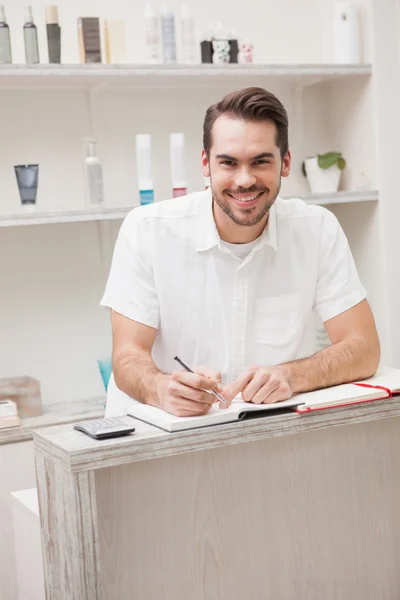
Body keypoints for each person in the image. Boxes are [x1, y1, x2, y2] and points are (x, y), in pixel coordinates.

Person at [100, 86, 380, 418]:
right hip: (158, 434)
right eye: (228, 163)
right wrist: (160, 388)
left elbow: (364, 348)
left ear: (285, 163)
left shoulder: (317, 229)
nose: (244, 180)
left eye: (260, 162)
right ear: (205, 164)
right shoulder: (147, 229)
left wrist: (292, 375)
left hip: (261, 434)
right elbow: (127, 355)